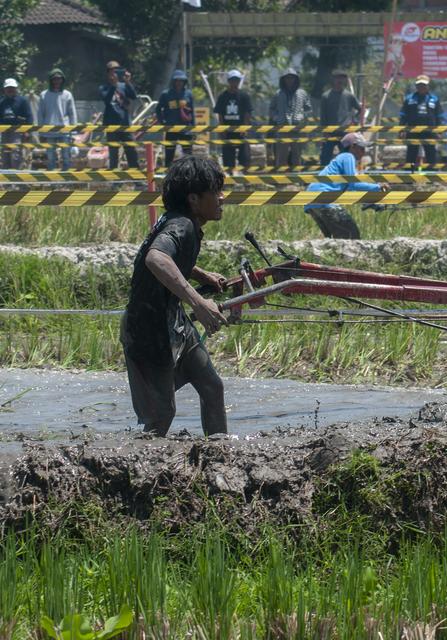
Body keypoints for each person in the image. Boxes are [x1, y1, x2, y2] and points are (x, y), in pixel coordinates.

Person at [121, 155, 229, 437]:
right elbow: (156, 259)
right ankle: (133, 471)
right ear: (194, 199)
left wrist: (202, 275)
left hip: (173, 321)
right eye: (216, 192)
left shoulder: (180, 222)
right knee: (161, 415)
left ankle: (221, 457)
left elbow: (169, 257)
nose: (222, 198)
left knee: (211, 387)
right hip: (148, 329)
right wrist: (199, 301)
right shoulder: (181, 226)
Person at [303, 132, 389, 239]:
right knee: (351, 235)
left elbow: (350, 189)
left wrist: (371, 203)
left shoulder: (341, 160)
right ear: (352, 147)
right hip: (324, 199)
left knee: (334, 239)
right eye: (361, 148)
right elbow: (354, 184)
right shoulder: (348, 156)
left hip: (312, 201)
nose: (364, 151)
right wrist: (377, 187)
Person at [269, 67, 312, 169]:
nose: (289, 80)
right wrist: (276, 118)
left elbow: (309, 109)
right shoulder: (278, 94)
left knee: (296, 155)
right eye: (287, 78)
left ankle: (296, 180)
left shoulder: (302, 93)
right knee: (281, 155)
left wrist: (303, 117)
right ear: (283, 79)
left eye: (292, 78)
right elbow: (271, 109)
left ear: (296, 79)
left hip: (297, 128)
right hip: (282, 127)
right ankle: (281, 180)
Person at [99, 61, 139, 169]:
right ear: (108, 73)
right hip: (111, 124)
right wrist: (113, 85)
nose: (115, 73)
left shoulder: (124, 86)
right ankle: (115, 182)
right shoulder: (103, 87)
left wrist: (128, 82)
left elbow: (134, 96)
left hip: (125, 124)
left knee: (131, 151)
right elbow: (107, 100)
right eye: (112, 71)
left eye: (117, 70)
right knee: (113, 154)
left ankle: (137, 180)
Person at [214, 69, 253, 174]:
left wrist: (245, 128)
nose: (234, 83)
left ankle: (246, 182)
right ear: (229, 81)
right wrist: (222, 129)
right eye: (232, 80)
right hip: (227, 132)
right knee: (228, 158)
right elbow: (220, 114)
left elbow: (247, 113)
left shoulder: (244, 96)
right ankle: (230, 181)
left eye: (236, 80)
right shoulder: (223, 97)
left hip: (241, 131)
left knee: (245, 157)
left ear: (239, 81)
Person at [318, 69, 361, 166]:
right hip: (330, 132)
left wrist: (354, 121)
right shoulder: (326, 96)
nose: (340, 81)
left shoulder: (349, 96)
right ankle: (324, 178)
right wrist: (324, 131)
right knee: (325, 158)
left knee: (346, 157)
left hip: (345, 132)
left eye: (342, 78)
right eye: (338, 78)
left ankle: (345, 178)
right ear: (333, 80)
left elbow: (360, 109)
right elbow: (323, 115)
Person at [37, 69, 77, 170]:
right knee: (50, 156)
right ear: (51, 80)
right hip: (49, 130)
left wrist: (74, 132)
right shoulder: (43, 95)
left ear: (62, 80)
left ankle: (66, 180)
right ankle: (52, 180)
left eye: (59, 79)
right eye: (54, 79)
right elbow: (40, 115)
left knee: (66, 156)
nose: (57, 81)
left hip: (65, 130)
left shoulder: (67, 94)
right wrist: (41, 133)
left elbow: (72, 114)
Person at [400, 75, 443, 168]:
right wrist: (402, 130)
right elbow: (403, 116)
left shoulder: (434, 99)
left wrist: (439, 131)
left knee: (431, 153)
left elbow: (439, 116)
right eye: (419, 85)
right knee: (411, 153)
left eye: (424, 85)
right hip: (412, 130)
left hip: (430, 131)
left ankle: (432, 179)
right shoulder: (409, 98)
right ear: (416, 86)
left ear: (428, 86)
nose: (421, 87)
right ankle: (408, 179)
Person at [156, 70, 195, 167]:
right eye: (177, 80)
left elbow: (192, 111)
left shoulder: (188, 94)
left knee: (188, 156)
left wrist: (193, 129)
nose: (179, 83)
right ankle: (168, 176)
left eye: (181, 81)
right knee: (169, 155)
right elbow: (158, 109)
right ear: (173, 82)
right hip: (171, 128)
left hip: (186, 129)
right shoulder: (166, 94)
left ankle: (189, 177)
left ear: (184, 82)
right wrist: (162, 122)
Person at [0, 78, 33, 170]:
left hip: (18, 132)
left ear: (16, 88)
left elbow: (29, 117)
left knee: (16, 155)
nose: (10, 90)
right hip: (4, 132)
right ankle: (6, 182)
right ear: (4, 89)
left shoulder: (23, 101)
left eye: (12, 88)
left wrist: (27, 131)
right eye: (8, 88)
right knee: (5, 155)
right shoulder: (1, 102)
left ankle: (16, 180)